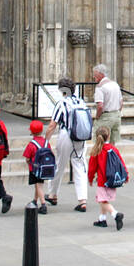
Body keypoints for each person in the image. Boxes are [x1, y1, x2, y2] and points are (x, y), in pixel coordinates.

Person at [49, 77, 90, 212]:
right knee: (80, 165)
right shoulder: (81, 102)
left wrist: (45, 140)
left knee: (59, 164)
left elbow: (52, 124)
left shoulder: (62, 103)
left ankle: (53, 194)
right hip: (80, 136)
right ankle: (82, 200)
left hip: (66, 135)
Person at [87, 126, 126, 230]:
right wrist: (125, 175)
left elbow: (92, 167)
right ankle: (102, 219)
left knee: (102, 201)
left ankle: (115, 214)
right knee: (104, 200)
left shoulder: (97, 150)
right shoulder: (113, 148)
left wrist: (90, 178)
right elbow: (121, 162)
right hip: (113, 179)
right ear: (109, 136)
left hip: (102, 181)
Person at [23, 120, 52, 213]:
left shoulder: (31, 144)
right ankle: (35, 201)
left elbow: (27, 158)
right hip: (45, 168)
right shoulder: (46, 143)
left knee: (39, 186)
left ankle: (43, 205)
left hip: (35, 168)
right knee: (38, 184)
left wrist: (28, 164)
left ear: (31, 132)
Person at [92, 64, 123, 145]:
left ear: (101, 74)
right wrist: (118, 113)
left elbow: (100, 105)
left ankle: (100, 157)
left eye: (95, 75)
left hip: (106, 116)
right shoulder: (115, 84)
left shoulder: (100, 87)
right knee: (113, 142)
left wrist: (98, 116)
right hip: (116, 115)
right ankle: (111, 156)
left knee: (99, 141)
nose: (93, 77)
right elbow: (121, 102)